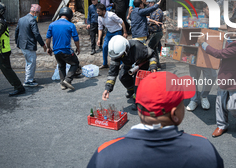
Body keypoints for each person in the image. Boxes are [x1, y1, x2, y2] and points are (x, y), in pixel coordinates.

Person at [89, 71, 224, 168]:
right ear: (174, 113)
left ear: (140, 110)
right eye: (181, 102)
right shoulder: (204, 149)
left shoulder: (105, 154)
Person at [197, 17, 236, 137]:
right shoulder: (231, 35)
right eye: (232, 31)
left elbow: (219, 54)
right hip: (227, 73)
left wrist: (203, 43)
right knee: (220, 103)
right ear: (228, 29)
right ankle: (221, 125)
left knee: (233, 105)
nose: (235, 34)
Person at [101, 35, 158, 110]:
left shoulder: (138, 48)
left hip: (142, 64)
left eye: (121, 55)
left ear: (126, 49)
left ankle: (138, 100)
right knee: (122, 77)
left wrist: (153, 68)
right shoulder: (116, 53)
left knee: (137, 82)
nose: (119, 58)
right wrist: (107, 89)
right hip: (130, 64)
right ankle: (131, 90)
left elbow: (152, 55)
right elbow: (112, 72)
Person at [186, 2, 217, 111]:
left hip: (207, 54)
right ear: (204, 9)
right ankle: (193, 99)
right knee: (194, 78)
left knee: (211, 77)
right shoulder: (195, 20)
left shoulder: (214, 21)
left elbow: (216, 38)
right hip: (194, 53)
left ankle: (204, 96)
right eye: (209, 9)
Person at [46, 7, 80, 91]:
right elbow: (76, 39)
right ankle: (67, 80)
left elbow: (48, 38)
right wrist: (78, 47)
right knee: (75, 63)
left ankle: (63, 84)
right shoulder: (70, 25)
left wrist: (48, 48)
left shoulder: (52, 24)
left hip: (56, 51)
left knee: (61, 66)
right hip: (66, 50)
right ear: (69, 15)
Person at [15, 4, 47, 87]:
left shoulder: (21, 19)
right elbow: (36, 34)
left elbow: (16, 32)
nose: (38, 15)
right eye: (38, 13)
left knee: (28, 61)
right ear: (35, 12)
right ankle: (28, 81)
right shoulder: (32, 20)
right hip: (29, 45)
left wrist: (17, 42)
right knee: (31, 62)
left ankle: (29, 78)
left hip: (22, 44)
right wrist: (43, 45)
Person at [97, 3, 128, 69]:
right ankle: (105, 64)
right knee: (105, 47)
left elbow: (122, 22)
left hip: (117, 31)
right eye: (97, 11)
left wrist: (125, 32)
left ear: (103, 11)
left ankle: (121, 63)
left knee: (118, 47)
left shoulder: (111, 15)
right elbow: (100, 29)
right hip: (109, 32)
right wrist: (99, 39)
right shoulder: (99, 17)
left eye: (99, 11)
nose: (97, 12)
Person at [147, 0, 163, 68]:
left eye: (151, 3)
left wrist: (147, 22)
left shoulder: (158, 11)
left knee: (150, 48)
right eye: (149, 3)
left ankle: (153, 64)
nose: (150, 4)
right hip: (153, 32)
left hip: (157, 32)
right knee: (154, 48)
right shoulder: (152, 11)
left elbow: (156, 21)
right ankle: (157, 63)